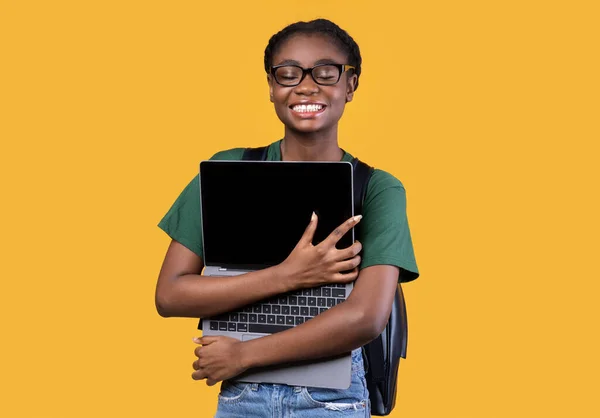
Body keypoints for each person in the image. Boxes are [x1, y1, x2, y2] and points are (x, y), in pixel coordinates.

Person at [156, 18, 419, 417]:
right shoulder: (227, 171)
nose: (306, 86)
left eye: (326, 72)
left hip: (331, 399)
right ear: (271, 86)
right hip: (243, 396)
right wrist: (290, 276)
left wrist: (245, 354)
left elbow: (365, 317)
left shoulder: (377, 188)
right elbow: (170, 294)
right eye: (289, 73)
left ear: (350, 85)